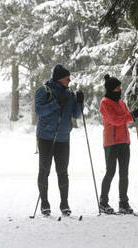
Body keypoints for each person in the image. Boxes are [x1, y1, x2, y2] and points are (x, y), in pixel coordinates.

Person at [35, 64, 84, 216]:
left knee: (62, 171)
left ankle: (64, 204)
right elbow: (39, 111)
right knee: (44, 170)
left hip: (63, 138)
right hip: (45, 138)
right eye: (67, 77)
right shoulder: (43, 91)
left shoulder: (69, 94)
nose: (69, 80)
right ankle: (44, 203)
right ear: (59, 78)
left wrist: (80, 102)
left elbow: (76, 115)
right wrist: (57, 103)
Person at [99, 74, 138, 214]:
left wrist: (136, 113)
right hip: (111, 142)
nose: (120, 90)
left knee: (124, 173)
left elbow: (126, 118)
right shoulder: (105, 103)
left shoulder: (121, 102)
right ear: (111, 89)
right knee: (110, 172)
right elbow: (115, 120)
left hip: (124, 141)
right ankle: (103, 202)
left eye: (120, 87)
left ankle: (123, 203)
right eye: (118, 87)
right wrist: (131, 115)